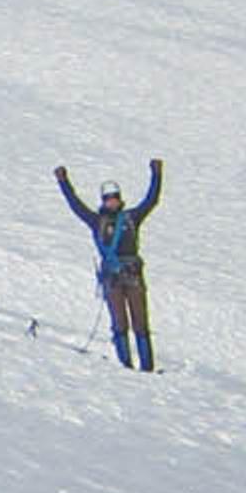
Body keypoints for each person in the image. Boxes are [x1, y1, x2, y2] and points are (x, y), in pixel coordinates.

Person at [58, 158, 165, 369]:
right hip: (112, 279)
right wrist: (63, 182)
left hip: (133, 275)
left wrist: (157, 175)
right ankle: (126, 365)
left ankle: (147, 367)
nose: (112, 202)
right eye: (108, 199)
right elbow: (75, 205)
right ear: (103, 200)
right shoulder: (97, 221)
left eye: (115, 199)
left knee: (141, 323)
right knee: (120, 324)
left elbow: (151, 200)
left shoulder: (132, 218)